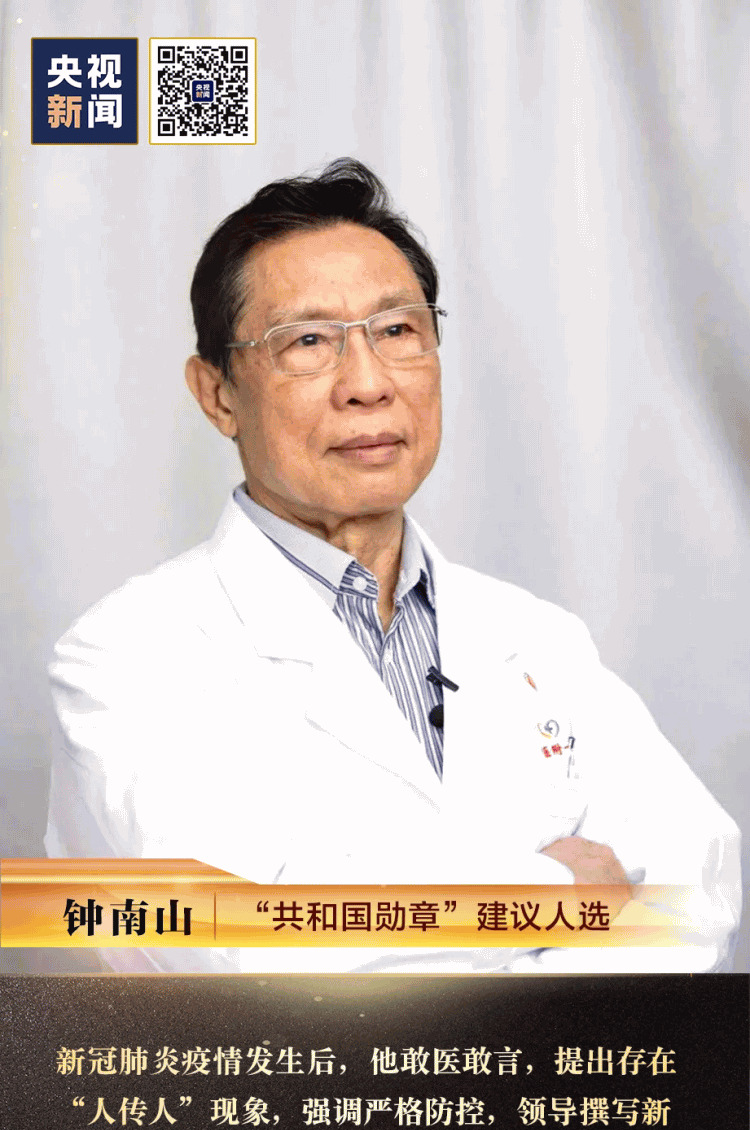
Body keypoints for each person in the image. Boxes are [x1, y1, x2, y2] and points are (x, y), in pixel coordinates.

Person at [45, 158, 740, 973]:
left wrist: (495, 995)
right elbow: (250, 943)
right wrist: (552, 890)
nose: (368, 384)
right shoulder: (124, 655)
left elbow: (695, 886)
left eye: (398, 331)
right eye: (308, 341)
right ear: (218, 394)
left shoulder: (537, 638)